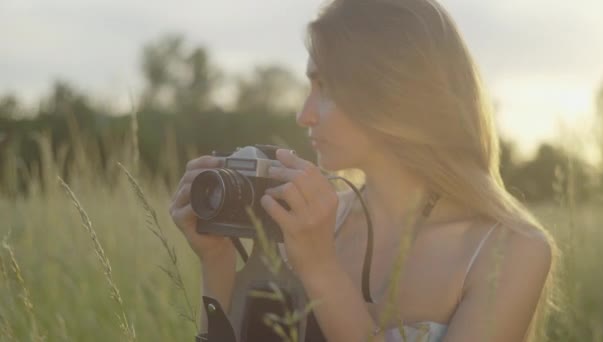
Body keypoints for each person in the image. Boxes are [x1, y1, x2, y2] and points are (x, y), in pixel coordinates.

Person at [169, 0, 557, 341]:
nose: (304, 116)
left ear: (395, 92)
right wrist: (217, 262)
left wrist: (321, 268)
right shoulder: (311, 221)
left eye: (327, 88)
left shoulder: (511, 250)